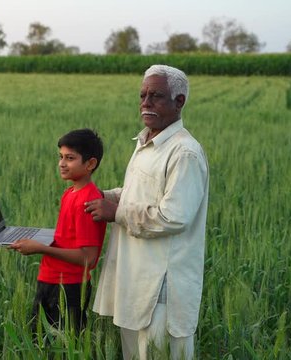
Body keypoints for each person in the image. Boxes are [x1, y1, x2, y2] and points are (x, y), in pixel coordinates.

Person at [86, 65, 209, 360]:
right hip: (136, 276)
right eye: (142, 95)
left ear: (179, 102)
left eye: (156, 96)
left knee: (158, 352)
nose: (146, 102)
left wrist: (116, 211)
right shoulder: (147, 142)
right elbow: (138, 194)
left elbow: (173, 216)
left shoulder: (184, 153)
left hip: (162, 284)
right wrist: (101, 196)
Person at [9, 128, 107, 338]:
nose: (62, 163)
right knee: (40, 343)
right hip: (52, 280)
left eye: (70, 158)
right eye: (60, 157)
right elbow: (69, 236)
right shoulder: (70, 192)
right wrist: (40, 239)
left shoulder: (87, 201)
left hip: (67, 287)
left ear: (90, 164)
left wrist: (40, 248)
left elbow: (88, 258)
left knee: (61, 347)